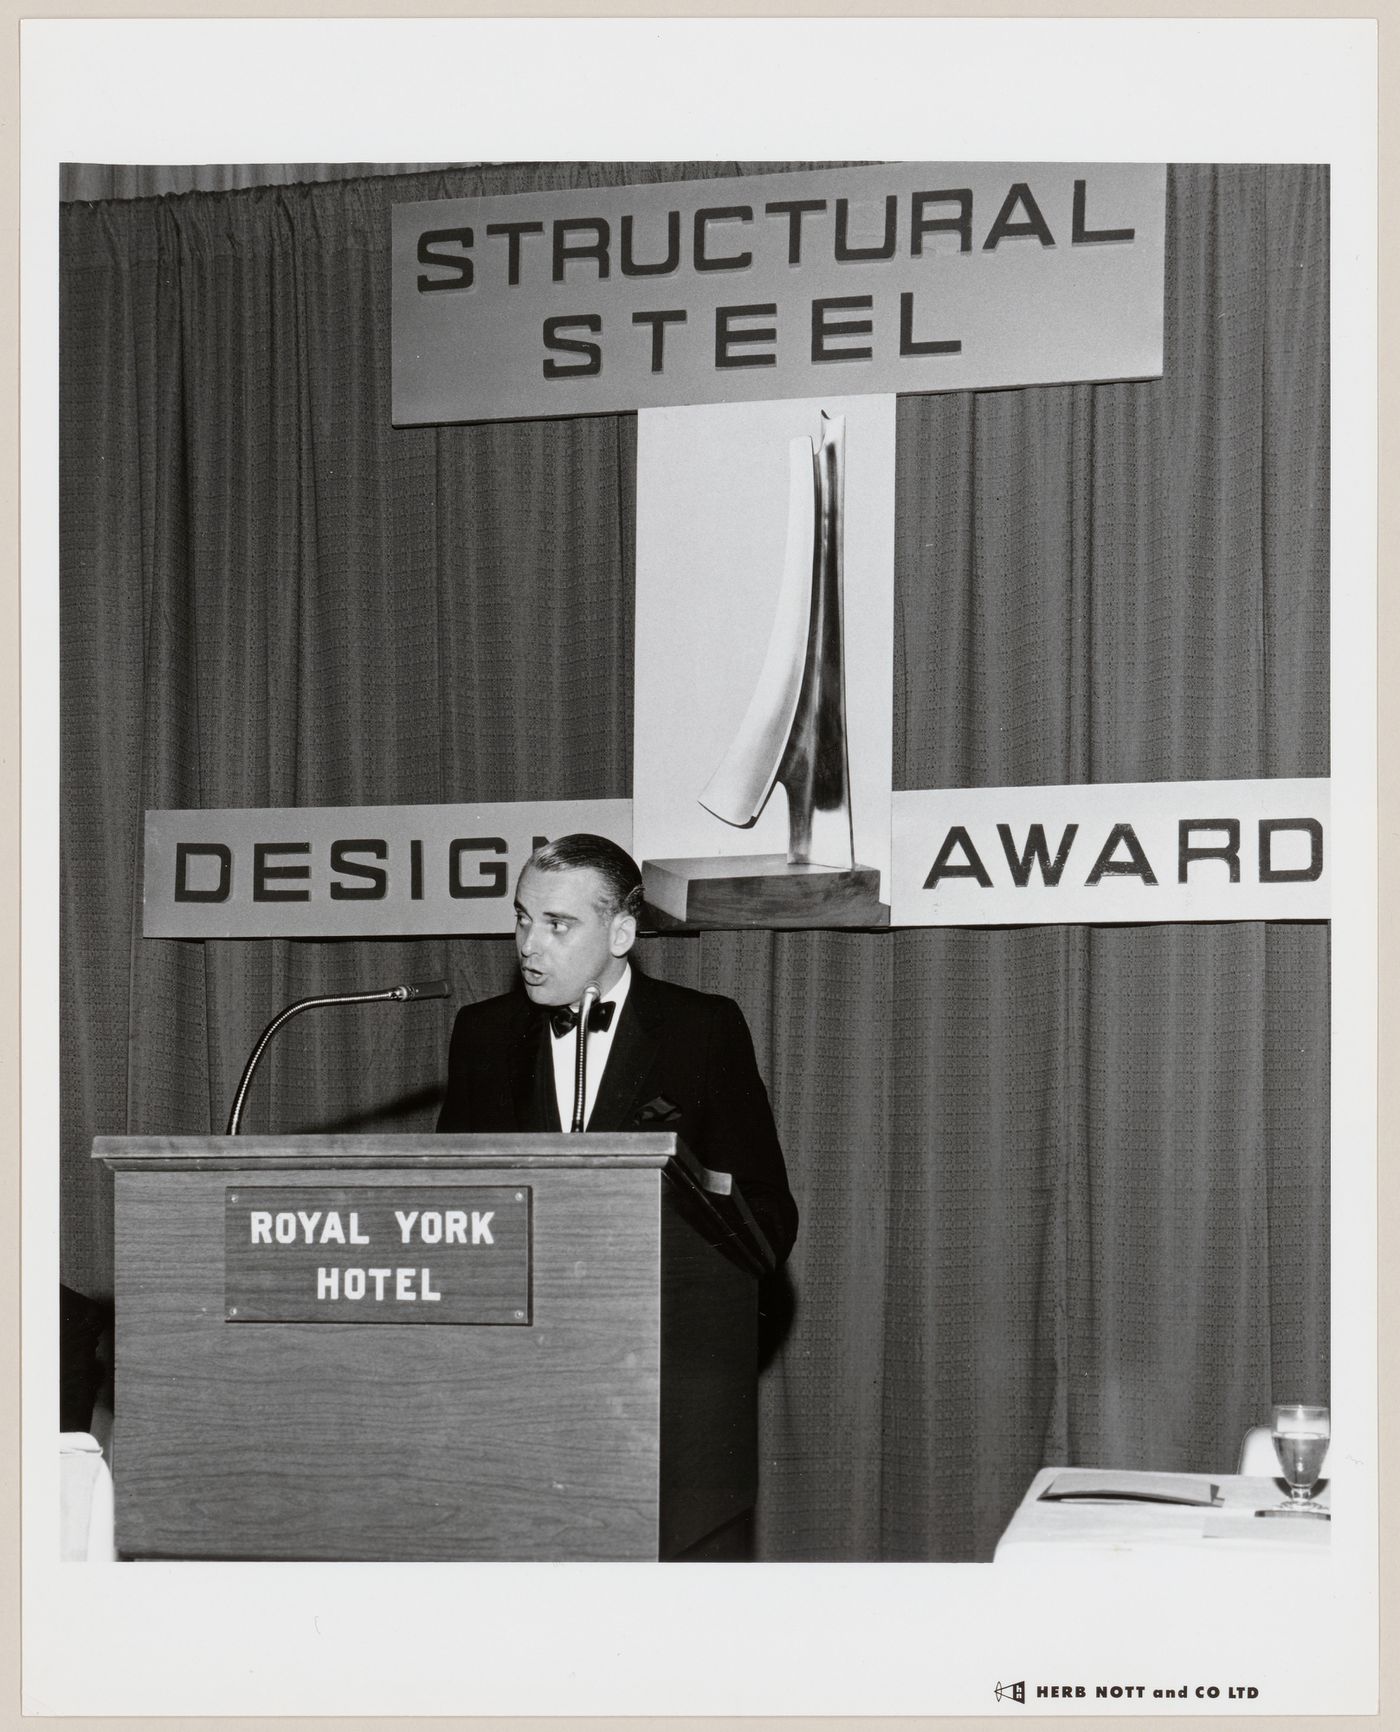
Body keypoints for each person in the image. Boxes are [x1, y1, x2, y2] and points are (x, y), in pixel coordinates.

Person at [437, 833, 798, 1264]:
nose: (529, 945)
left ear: (621, 934)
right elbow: (448, 1194)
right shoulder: (483, 1032)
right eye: (523, 918)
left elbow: (764, 1211)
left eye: (557, 925)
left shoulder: (701, 1030)